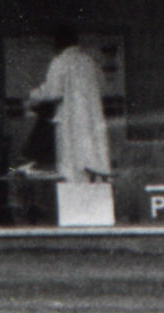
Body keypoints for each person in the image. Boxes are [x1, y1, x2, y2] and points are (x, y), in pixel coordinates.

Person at [26, 30, 112, 218]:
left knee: (73, 169)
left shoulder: (61, 62)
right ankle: (97, 215)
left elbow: (52, 92)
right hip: (92, 121)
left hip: (71, 123)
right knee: (94, 164)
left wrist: (33, 95)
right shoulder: (90, 62)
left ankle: (76, 216)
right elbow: (104, 88)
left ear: (57, 45)